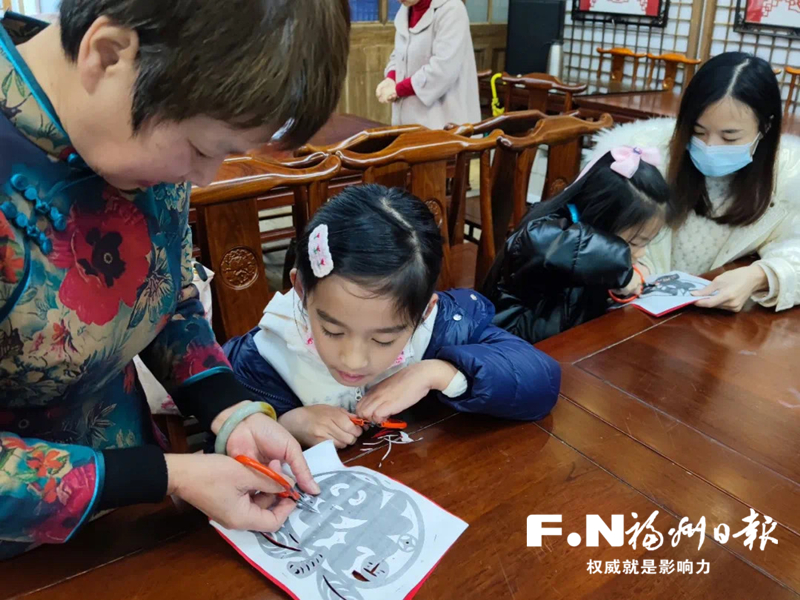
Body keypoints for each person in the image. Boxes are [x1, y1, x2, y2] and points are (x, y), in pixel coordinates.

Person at [0, 0, 349, 558]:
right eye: (202, 149)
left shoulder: (144, 123)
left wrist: (229, 410)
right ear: (108, 55)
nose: (204, 177)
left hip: (134, 509)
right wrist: (167, 476)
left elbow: (166, 293)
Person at [224, 185, 561, 449]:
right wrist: (285, 423)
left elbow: (541, 382)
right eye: (332, 331)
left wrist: (437, 372)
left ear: (423, 311)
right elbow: (221, 441)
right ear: (300, 289)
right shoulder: (268, 354)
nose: (353, 360)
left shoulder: (443, 327)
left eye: (383, 339)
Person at [591, 52, 800, 313]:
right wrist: (628, 265)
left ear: (765, 127)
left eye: (730, 137)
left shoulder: (789, 175)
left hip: (715, 322)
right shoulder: (646, 157)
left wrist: (760, 276)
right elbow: (594, 233)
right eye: (698, 131)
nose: (709, 146)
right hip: (633, 313)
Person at [483, 147, 676, 344]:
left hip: (571, 346)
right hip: (511, 346)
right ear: (599, 218)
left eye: (645, 243)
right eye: (634, 242)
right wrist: (621, 269)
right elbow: (548, 243)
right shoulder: (544, 232)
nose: (641, 252)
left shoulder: (596, 253)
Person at [375, 0, 481, 129]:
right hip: (409, 121)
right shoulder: (406, 10)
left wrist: (399, 89)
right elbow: (399, 55)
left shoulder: (452, 9)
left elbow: (442, 69)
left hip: (444, 122)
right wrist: (391, 78)